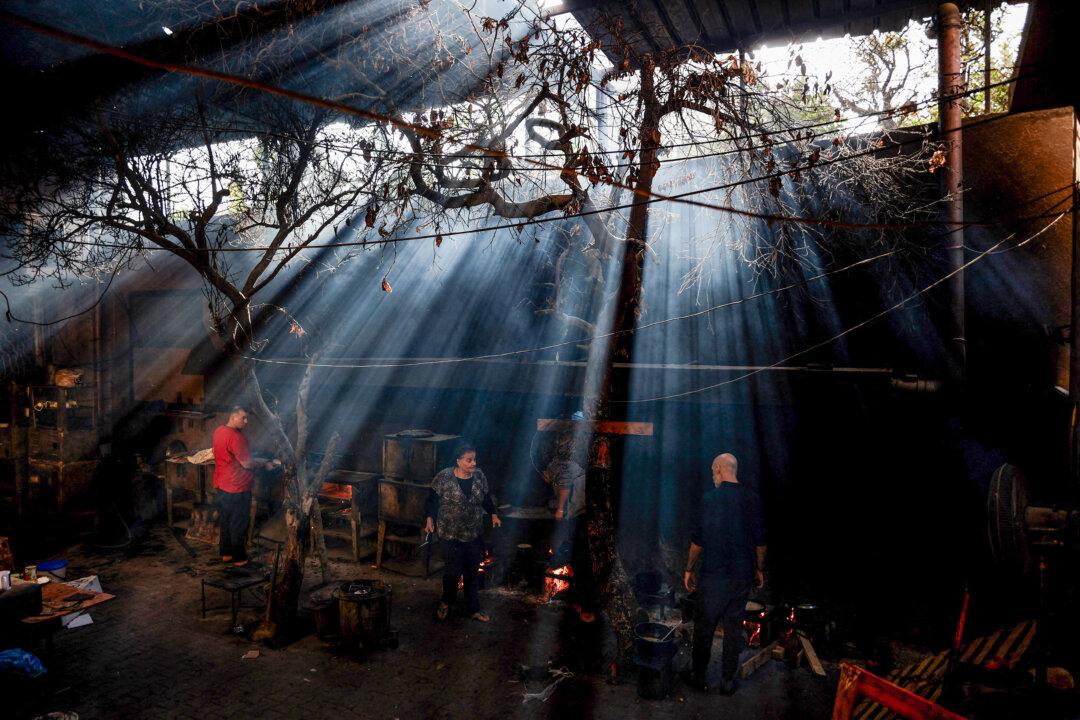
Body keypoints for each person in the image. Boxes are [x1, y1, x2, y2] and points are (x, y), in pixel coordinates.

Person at [682, 453, 766, 694]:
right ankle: (728, 681)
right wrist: (759, 568)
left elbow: (698, 541)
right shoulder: (753, 499)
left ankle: (699, 676)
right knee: (733, 628)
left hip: (714, 577)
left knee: (705, 628)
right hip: (741, 577)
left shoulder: (711, 499)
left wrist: (689, 569)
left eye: (712, 471)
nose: (712, 476)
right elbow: (761, 542)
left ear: (719, 469)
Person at [424, 442, 501, 622]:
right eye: (469, 460)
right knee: (452, 571)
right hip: (449, 533)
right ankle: (446, 601)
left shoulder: (479, 476)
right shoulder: (444, 477)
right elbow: (432, 500)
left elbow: (486, 497)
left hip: (472, 533)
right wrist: (429, 518)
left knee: (472, 572)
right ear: (458, 461)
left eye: (474, 459)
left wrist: (494, 514)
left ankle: (473, 608)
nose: (473, 463)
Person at [545, 430, 595, 621]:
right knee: (581, 560)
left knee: (579, 561)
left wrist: (558, 509)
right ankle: (583, 603)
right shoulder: (575, 465)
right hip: (581, 513)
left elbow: (565, 486)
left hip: (574, 516)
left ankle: (586, 607)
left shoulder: (563, 465)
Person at [212, 406, 262, 567]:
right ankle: (239, 559)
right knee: (239, 523)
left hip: (221, 484)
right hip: (237, 486)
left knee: (226, 520)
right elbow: (247, 463)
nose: (246, 422)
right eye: (243, 418)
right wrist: (262, 465)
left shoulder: (219, 431)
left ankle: (226, 554)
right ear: (233, 417)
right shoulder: (236, 437)